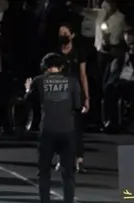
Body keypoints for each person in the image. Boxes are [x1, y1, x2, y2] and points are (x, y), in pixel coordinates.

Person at [25, 53, 83, 203]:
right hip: (67, 131)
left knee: (44, 173)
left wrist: (28, 89)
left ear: (44, 66)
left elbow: (28, 102)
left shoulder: (39, 81)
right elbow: (77, 106)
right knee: (68, 174)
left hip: (48, 131)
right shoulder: (72, 82)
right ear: (62, 66)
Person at [57, 23, 89, 173]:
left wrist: (87, 97)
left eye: (65, 32)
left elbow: (83, 75)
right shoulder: (56, 54)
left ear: (72, 35)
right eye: (60, 33)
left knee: (76, 128)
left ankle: (79, 160)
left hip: (75, 93)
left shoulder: (78, 53)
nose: (63, 35)